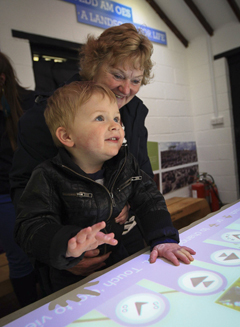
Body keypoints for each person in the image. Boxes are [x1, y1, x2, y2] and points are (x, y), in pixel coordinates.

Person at [10, 23, 161, 278]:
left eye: (136, 80)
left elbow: (142, 174)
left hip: (126, 238)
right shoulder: (45, 116)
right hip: (74, 248)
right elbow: (26, 195)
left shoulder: (134, 111)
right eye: (117, 75)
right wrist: (64, 251)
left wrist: (130, 205)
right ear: (93, 66)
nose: (127, 89)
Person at [14, 81, 196, 293]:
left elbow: (150, 201)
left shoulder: (127, 164)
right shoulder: (47, 176)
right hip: (72, 280)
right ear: (67, 136)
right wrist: (65, 243)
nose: (115, 125)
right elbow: (30, 225)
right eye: (100, 118)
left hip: (123, 260)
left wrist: (163, 239)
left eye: (116, 118)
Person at [0, 52, 38, 307]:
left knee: (49, 251)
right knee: (20, 258)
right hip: (4, 196)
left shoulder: (32, 102)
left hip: (36, 191)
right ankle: (32, 313)